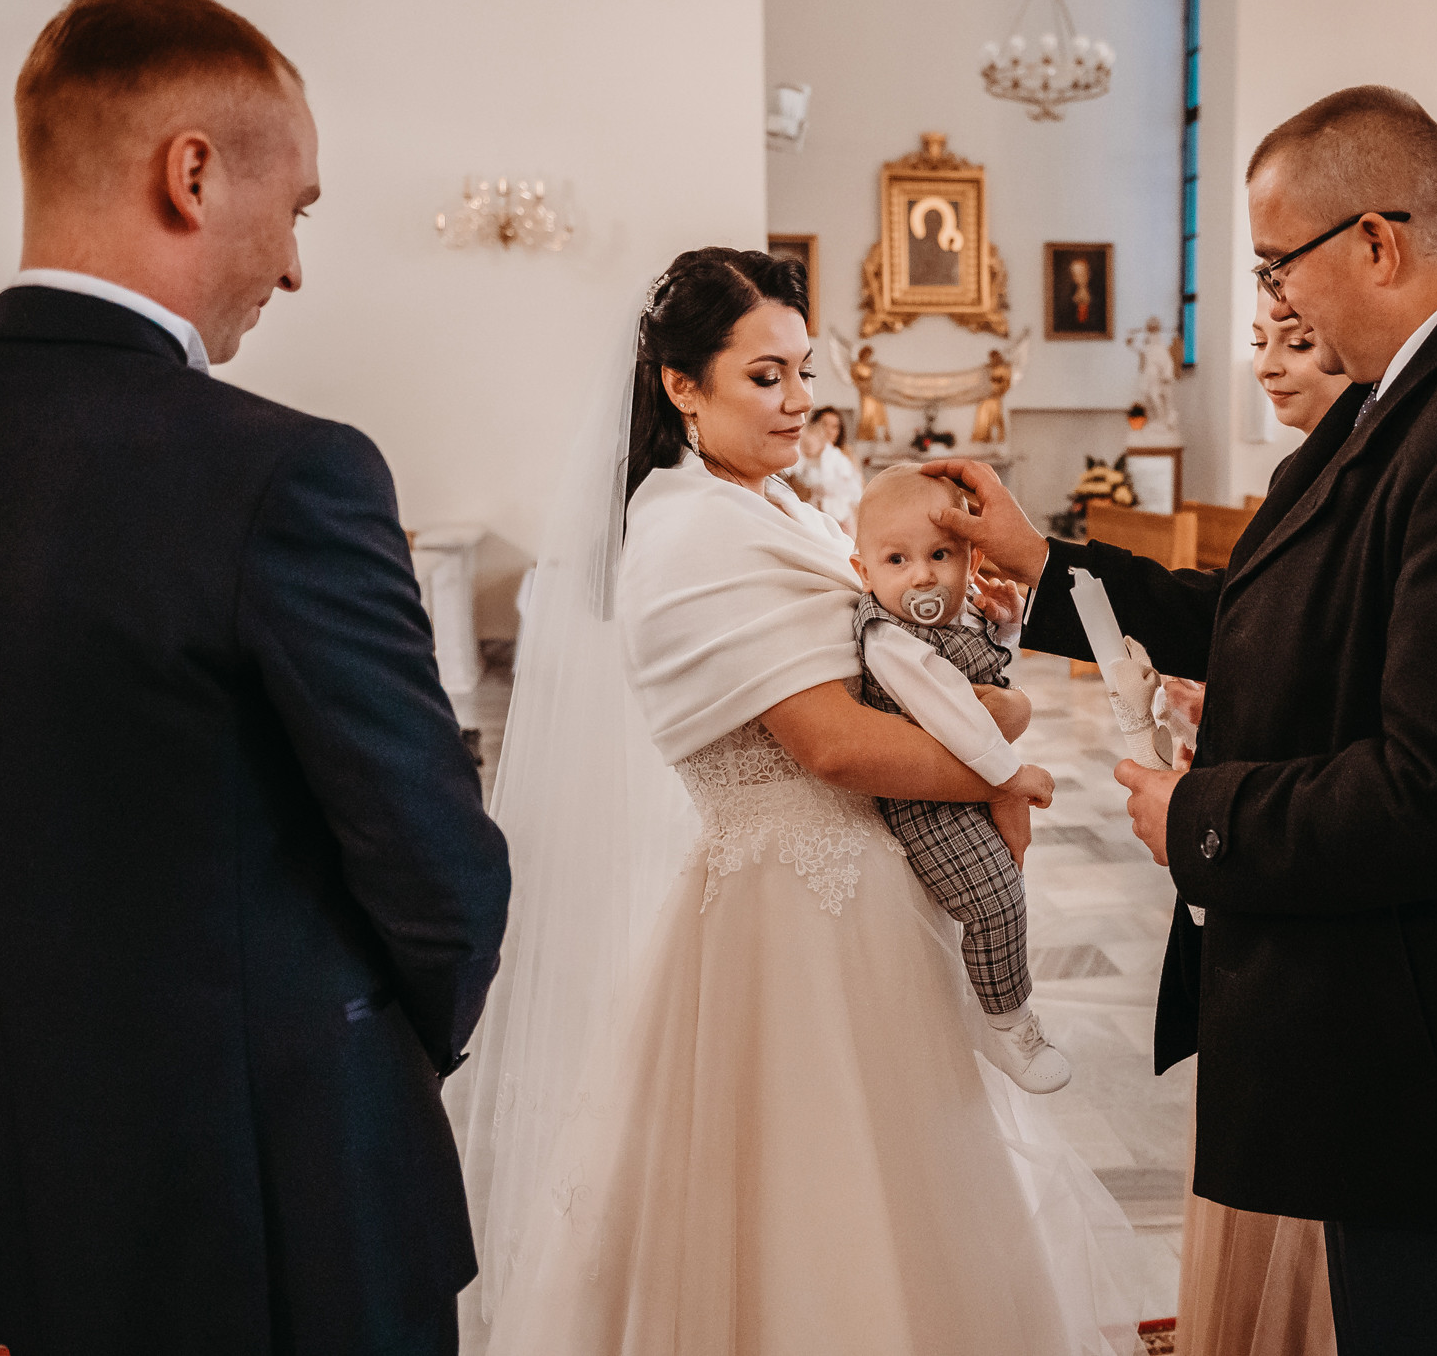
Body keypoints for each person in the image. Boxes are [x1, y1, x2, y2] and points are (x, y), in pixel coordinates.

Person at [926, 85, 1437, 1356]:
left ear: (1375, 242)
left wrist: (1202, 816)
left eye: (1274, 265)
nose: (1274, 301)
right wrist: (1043, 565)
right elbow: (1271, 607)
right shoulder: (1413, 391)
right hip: (1409, 1015)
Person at [0, 0, 511, 1356]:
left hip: (33, 1187)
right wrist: (379, 1052)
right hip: (284, 1202)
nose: (293, 268)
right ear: (192, 173)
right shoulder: (286, 473)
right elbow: (439, 870)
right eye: (298, 209)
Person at [457, 247, 1140, 1356]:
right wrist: (999, 767)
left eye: (803, 371)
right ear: (682, 385)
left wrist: (982, 654)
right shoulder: (696, 526)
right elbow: (830, 742)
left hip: (841, 893)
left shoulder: (756, 503)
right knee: (820, 1207)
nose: (796, 398)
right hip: (795, 913)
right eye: (764, 375)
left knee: (889, 1191)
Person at [1169, 289, 1347, 1356]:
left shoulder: (1392, 462)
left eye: (1299, 342)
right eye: (1260, 343)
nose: (1269, 365)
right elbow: (1262, 635)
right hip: (1278, 849)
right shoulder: (1298, 474)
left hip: (1317, 853)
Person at [849, 465, 1071, 1093]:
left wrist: (1006, 626)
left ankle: (990, 1001)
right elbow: (956, 714)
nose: (922, 576)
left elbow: (988, 674)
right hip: (926, 802)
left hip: (963, 785)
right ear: (864, 571)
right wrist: (1011, 777)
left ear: (971, 559)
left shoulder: (951, 618)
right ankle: (1007, 1026)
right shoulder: (890, 638)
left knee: (1004, 886)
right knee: (993, 899)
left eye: (940, 555)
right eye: (897, 560)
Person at [793, 403, 862, 532]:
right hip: (812, 516)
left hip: (842, 517)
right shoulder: (803, 454)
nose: (829, 431)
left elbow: (856, 491)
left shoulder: (844, 456)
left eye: (834, 427)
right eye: (824, 425)